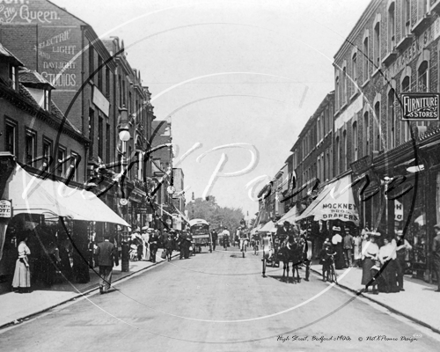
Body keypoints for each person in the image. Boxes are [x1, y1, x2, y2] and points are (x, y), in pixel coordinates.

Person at [432, 223, 440, 292]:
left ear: (437, 229)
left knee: (438, 271)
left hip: (437, 257)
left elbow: (433, 249)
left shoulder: (436, 238)